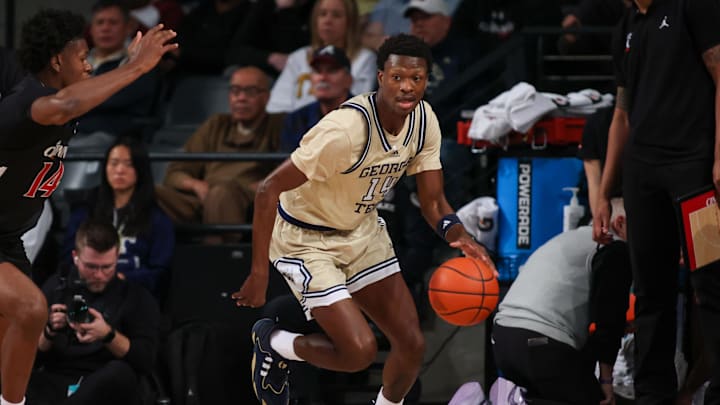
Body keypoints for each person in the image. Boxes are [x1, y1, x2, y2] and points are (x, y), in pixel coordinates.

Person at [233, 34, 495, 405]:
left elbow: (433, 199)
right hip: (305, 239)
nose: (407, 87)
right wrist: (259, 274)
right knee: (358, 353)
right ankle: (275, 343)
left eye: (417, 79)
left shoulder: (423, 121)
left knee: (412, 345)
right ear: (380, 77)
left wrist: (459, 234)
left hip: (360, 231)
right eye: (398, 77)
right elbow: (267, 190)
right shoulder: (343, 131)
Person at [0, 8, 174, 405]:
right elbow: (63, 106)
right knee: (31, 309)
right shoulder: (31, 101)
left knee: (10, 339)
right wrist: (138, 66)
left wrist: (130, 65)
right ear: (57, 61)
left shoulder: (65, 99)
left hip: (7, 237)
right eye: (82, 58)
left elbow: (79, 100)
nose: (90, 66)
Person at [592, 1, 720, 403]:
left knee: (712, 287)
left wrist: (719, 156)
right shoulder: (626, 25)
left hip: (694, 172)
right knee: (650, 292)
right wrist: (605, 191)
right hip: (642, 178)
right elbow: (621, 116)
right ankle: (653, 396)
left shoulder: (694, 8)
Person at [493, 198, 632, 405]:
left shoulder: (572, 238)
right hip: (541, 343)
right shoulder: (613, 246)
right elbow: (608, 319)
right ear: (620, 223)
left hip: (503, 339)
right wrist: (606, 380)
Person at [26, 219, 161, 405]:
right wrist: (49, 331)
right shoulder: (56, 287)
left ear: (116, 259)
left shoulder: (135, 297)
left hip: (103, 380)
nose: (98, 275)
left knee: (119, 373)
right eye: (90, 266)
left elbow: (145, 361)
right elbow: (31, 358)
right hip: (58, 377)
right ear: (75, 257)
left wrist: (108, 335)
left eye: (107, 267)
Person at [155, 66, 284, 243]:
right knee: (147, 192)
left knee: (221, 193)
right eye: (235, 91)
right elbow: (175, 173)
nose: (241, 98)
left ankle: (216, 258)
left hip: (245, 202)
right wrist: (195, 185)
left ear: (266, 97)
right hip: (201, 199)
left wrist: (258, 188)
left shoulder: (277, 125)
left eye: (250, 91)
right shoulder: (216, 124)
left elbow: (284, 176)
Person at [62, 137, 175, 298]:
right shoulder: (86, 209)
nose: (120, 170)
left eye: (128, 164)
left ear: (140, 169)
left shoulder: (157, 218)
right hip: (86, 290)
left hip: (133, 295)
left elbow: (160, 271)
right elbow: (68, 257)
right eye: (114, 163)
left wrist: (121, 279)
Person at [266, 0, 376, 113]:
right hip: (297, 126)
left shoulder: (365, 59)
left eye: (336, 15)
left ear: (350, 22)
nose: (327, 20)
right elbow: (275, 106)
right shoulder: (298, 57)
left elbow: (357, 106)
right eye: (322, 14)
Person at [76, 0, 161, 138]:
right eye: (99, 22)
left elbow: (113, 99)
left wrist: (71, 101)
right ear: (90, 29)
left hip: (115, 138)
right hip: (72, 134)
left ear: (129, 27)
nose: (105, 28)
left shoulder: (140, 63)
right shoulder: (77, 63)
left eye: (113, 23)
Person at [279, 45, 353, 152]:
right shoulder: (295, 120)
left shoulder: (367, 117)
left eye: (331, 71)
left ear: (349, 80)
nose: (322, 77)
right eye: (317, 71)